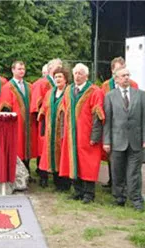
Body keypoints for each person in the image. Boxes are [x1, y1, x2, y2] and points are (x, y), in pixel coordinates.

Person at [103, 67, 145, 211]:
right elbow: (108, 121)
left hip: (136, 140)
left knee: (134, 172)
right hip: (117, 140)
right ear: (116, 78)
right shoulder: (110, 96)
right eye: (123, 75)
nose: (126, 78)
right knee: (117, 171)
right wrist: (106, 141)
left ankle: (136, 199)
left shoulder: (139, 95)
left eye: (128, 75)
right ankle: (119, 197)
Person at [59, 63, 104, 204]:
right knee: (74, 162)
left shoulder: (94, 91)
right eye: (76, 73)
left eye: (80, 73)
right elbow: (63, 112)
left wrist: (95, 136)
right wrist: (62, 133)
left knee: (88, 164)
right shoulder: (69, 90)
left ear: (86, 75)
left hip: (87, 134)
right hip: (71, 135)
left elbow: (98, 115)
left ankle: (89, 194)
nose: (77, 76)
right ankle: (77, 191)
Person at [100, 56, 139, 188]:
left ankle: (128, 184)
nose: (122, 72)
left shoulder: (133, 84)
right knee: (113, 156)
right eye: (118, 69)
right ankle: (113, 181)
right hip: (113, 124)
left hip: (128, 125)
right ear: (112, 71)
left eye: (123, 68)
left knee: (129, 157)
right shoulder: (106, 86)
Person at [0, 61, 38, 181]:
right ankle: (17, 175)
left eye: (23, 69)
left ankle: (27, 173)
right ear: (13, 70)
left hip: (28, 123)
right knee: (17, 148)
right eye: (19, 69)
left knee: (28, 148)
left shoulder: (29, 86)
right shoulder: (7, 87)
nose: (22, 71)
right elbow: (5, 108)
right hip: (16, 124)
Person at [37, 66, 71, 190]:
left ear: (66, 79)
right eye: (56, 77)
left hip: (64, 131)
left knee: (63, 156)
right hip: (51, 130)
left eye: (60, 77)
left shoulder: (69, 92)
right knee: (52, 155)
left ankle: (65, 183)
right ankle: (57, 182)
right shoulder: (50, 93)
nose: (57, 79)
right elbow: (44, 109)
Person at [31, 58, 63, 172]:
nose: (60, 67)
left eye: (61, 65)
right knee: (44, 147)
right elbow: (36, 104)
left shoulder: (62, 84)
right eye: (57, 66)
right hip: (45, 121)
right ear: (50, 69)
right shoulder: (42, 83)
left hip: (59, 122)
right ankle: (42, 173)